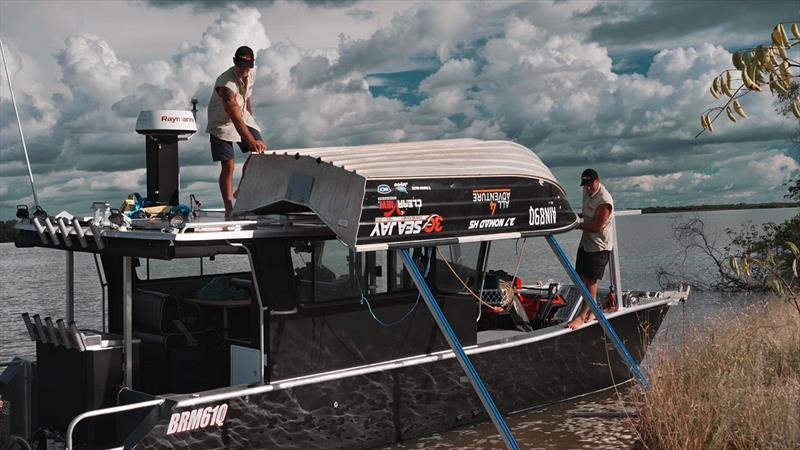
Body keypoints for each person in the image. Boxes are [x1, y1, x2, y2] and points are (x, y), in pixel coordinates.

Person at [207, 45, 267, 219]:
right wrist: (250, 140)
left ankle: (240, 190)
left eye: (247, 67)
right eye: (240, 67)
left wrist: (251, 120)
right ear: (234, 62)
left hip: (243, 115)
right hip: (222, 122)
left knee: (260, 152)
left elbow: (247, 97)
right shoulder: (226, 85)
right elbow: (234, 118)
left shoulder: (252, 73)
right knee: (229, 165)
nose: (243, 71)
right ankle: (228, 208)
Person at [566, 168, 615, 330]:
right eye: (584, 185)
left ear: (597, 181)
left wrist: (575, 225)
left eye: (589, 185)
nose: (587, 188)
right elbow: (586, 215)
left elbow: (596, 226)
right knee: (579, 277)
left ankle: (582, 315)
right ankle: (594, 310)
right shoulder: (586, 192)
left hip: (599, 245)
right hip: (586, 242)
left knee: (590, 280)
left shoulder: (604, 200)